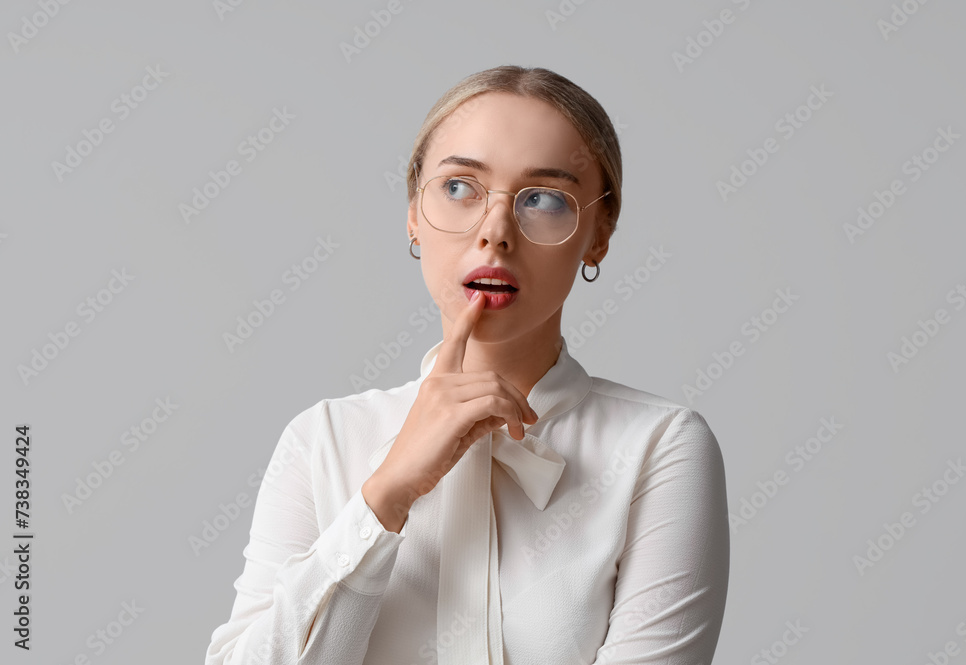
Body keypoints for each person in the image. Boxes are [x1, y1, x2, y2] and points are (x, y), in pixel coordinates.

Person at [204, 65, 729, 665]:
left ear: (599, 234)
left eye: (544, 199)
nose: (496, 233)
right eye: (459, 187)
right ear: (412, 214)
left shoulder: (659, 447)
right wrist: (387, 495)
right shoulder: (321, 440)